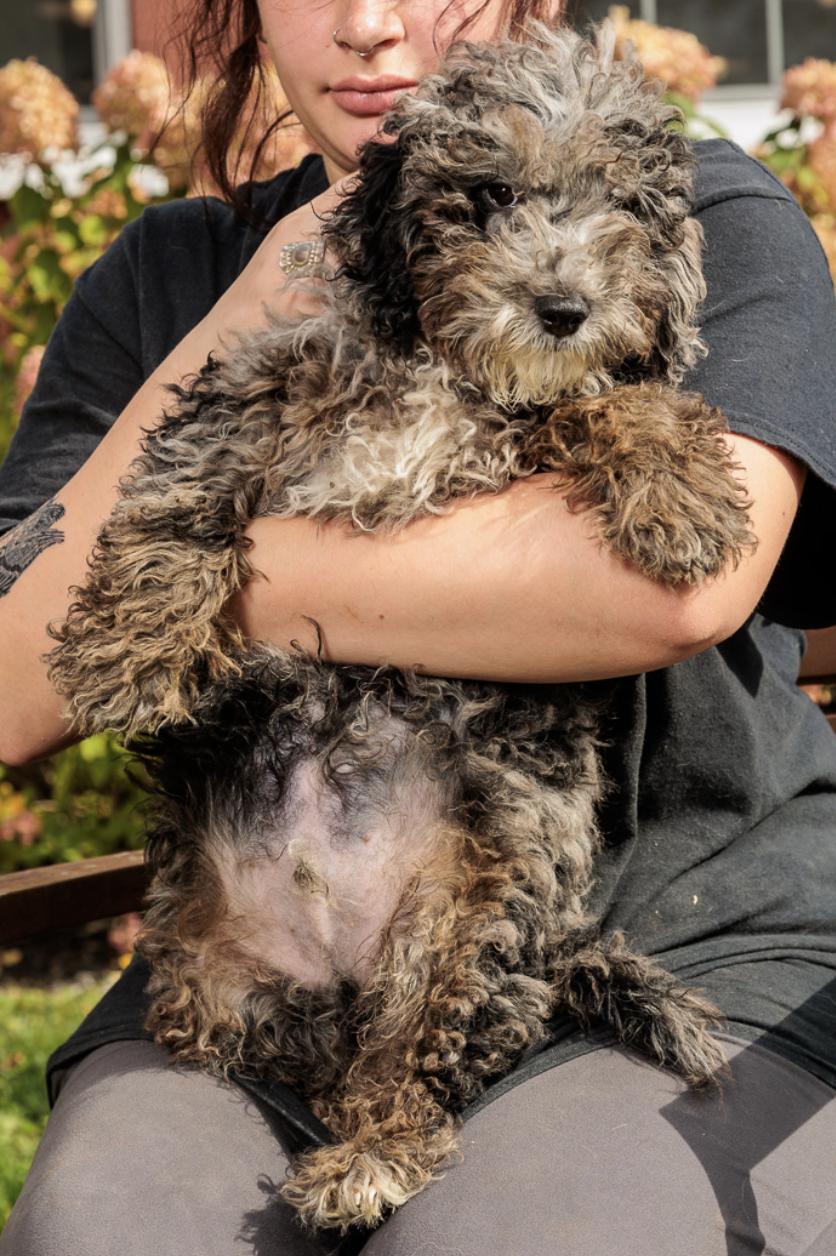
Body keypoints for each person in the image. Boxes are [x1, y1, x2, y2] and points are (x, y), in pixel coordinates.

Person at [1, 0, 835, 1251]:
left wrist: (214, 567)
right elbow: (16, 690)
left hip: (698, 926)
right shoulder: (165, 272)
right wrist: (234, 325)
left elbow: (671, 580)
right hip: (263, 939)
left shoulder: (690, 201)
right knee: (105, 1224)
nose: (369, 27)